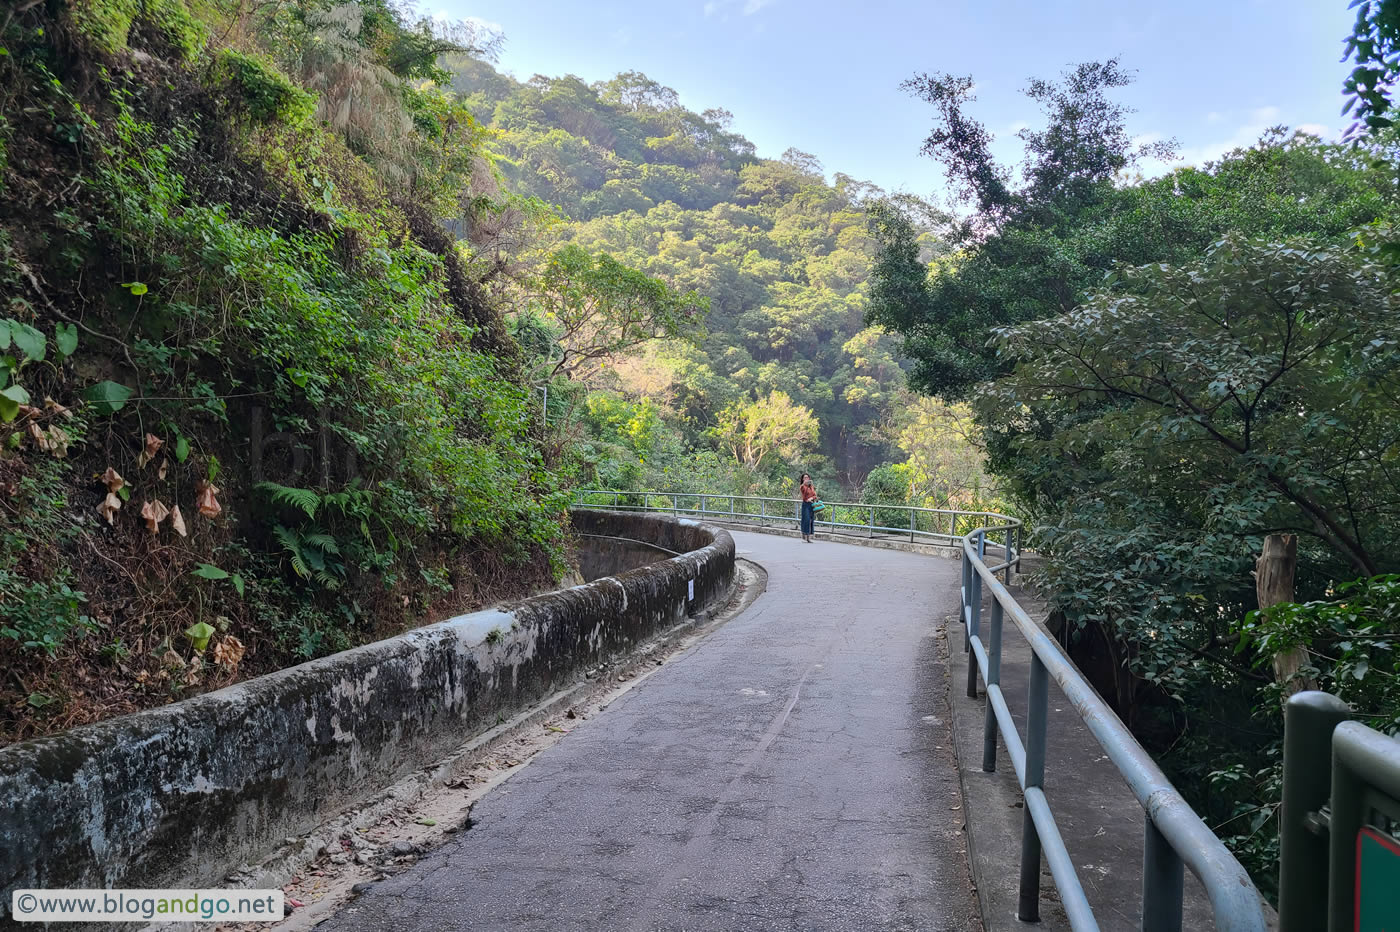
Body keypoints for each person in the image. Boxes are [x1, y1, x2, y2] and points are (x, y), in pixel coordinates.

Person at [799, 472, 817, 543]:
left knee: (810, 520)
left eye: (807, 477)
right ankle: (804, 533)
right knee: (806, 519)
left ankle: (808, 537)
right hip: (805, 504)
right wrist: (804, 484)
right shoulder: (802, 487)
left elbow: (815, 495)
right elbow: (804, 493)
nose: (806, 479)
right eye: (805, 478)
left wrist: (812, 498)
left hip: (811, 504)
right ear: (803, 479)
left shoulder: (811, 487)